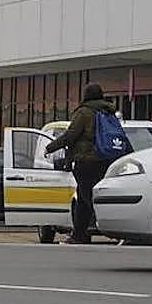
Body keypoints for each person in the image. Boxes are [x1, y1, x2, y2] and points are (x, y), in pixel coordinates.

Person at [45, 83, 116, 244]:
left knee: (87, 197)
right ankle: (80, 234)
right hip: (106, 159)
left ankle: (108, 229)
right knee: (83, 199)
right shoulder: (109, 111)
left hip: (87, 161)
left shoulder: (84, 112)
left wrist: (50, 147)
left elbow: (70, 135)